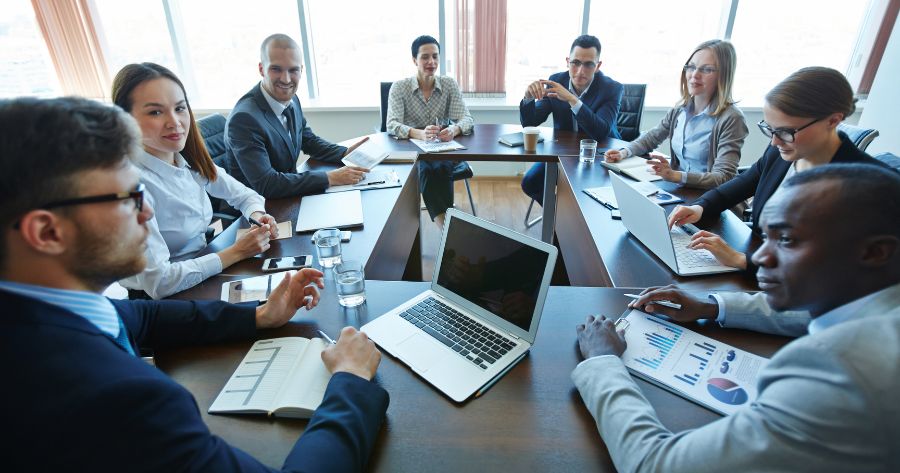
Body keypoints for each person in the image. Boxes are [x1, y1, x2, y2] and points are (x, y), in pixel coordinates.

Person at [1, 96, 389, 472]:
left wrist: (259, 316)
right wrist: (351, 380)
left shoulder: (41, 307)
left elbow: (140, 316)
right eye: (128, 197)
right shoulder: (119, 399)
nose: (148, 211)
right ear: (47, 232)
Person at [573, 163, 900, 472]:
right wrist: (711, 306)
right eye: (767, 237)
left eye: (786, 240)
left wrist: (602, 361)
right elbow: (810, 311)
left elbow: (655, 465)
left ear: (875, 252)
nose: (760, 257)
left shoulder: (837, 371)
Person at [667, 67, 885, 271]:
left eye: (785, 131)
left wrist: (741, 260)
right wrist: (700, 207)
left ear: (833, 121)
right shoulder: (783, 151)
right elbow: (740, 185)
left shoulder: (866, 188)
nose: (774, 142)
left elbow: (827, 267)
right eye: (770, 129)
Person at [111, 63, 276, 299]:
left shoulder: (186, 159)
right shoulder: (130, 187)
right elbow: (160, 282)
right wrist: (237, 252)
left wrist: (258, 217)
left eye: (179, 108)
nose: (174, 122)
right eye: (155, 112)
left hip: (205, 270)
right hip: (165, 299)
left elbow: (245, 196)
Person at [223, 33, 369, 199]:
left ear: (301, 70)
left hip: (288, 196)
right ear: (261, 69)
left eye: (293, 70)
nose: (286, 80)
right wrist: (330, 178)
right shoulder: (244, 119)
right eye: (276, 69)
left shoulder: (292, 99)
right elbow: (267, 184)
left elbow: (308, 140)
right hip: (260, 208)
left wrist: (345, 153)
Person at [604, 39, 748, 189]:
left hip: (710, 197)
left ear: (723, 75)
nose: (694, 75)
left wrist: (676, 176)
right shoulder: (680, 110)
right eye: (691, 67)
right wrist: (623, 153)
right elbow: (651, 138)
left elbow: (724, 177)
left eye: (707, 69)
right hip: (682, 191)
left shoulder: (732, 118)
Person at [519, 34, 623, 205]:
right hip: (564, 152)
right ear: (568, 61)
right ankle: (557, 218)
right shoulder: (556, 80)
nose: (580, 71)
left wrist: (572, 99)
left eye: (588, 64)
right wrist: (528, 98)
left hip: (601, 154)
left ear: (598, 66)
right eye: (575, 63)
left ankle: (570, 217)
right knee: (530, 183)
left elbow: (600, 131)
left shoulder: (612, 88)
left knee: (585, 197)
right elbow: (530, 123)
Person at [386, 35, 475, 228]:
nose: (431, 62)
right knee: (426, 168)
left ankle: (447, 230)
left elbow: (467, 119)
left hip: (442, 149)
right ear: (414, 60)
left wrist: (454, 129)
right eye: (425, 57)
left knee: (438, 167)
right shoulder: (400, 88)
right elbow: (391, 124)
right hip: (412, 150)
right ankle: (447, 229)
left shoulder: (448, 85)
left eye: (435, 56)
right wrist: (418, 133)